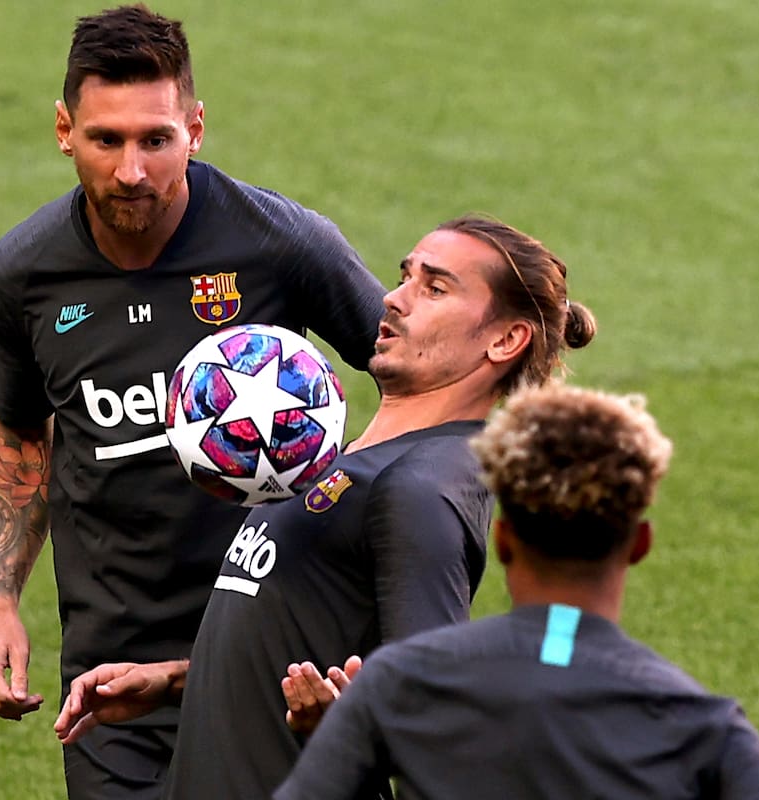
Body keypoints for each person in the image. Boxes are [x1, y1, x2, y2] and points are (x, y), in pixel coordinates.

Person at [0, 5, 386, 798]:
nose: (132, 170)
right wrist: (1, 602)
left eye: (156, 139)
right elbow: (23, 435)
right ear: (64, 130)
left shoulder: (281, 244)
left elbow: (417, 375)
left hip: (271, 649)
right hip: (110, 685)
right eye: (106, 139)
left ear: (196, 128)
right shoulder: (21, 279)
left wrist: (339, 481)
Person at [55, 214, 599, 800]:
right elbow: (320, 650)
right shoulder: (355, 464)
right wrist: (181, 679)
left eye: (435, 288)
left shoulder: (419, 484)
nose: (395, 298)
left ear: (505, 340)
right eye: (405, 276)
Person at [272, 382, 759, 800]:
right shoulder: (706, 730)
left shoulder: (397, 686)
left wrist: (345, 741)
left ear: (502, 539)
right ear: (638, 544)